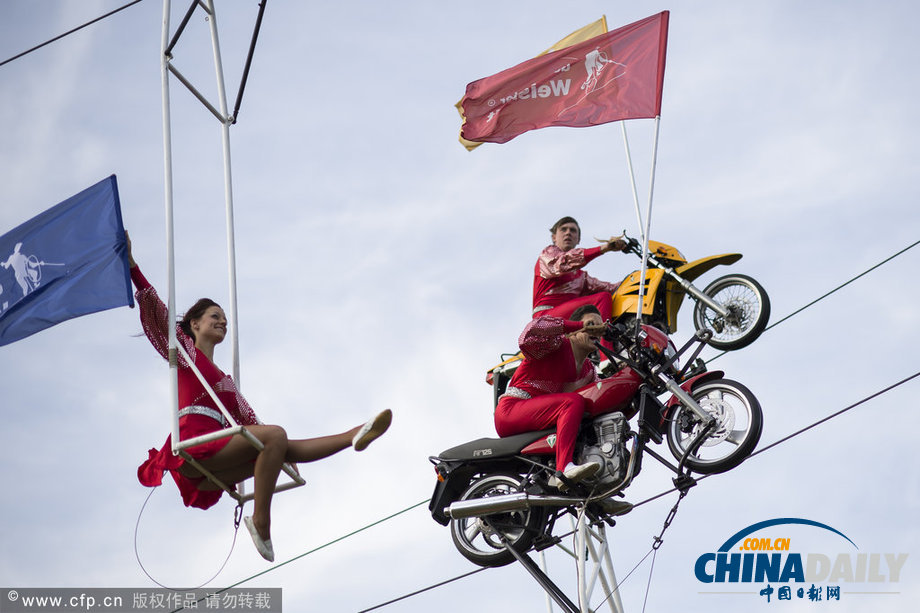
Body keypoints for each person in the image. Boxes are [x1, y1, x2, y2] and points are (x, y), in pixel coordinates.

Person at [125, 233, 391, 562]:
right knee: (276, 437)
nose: (222, 321)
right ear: (194, 324)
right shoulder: (185, 352)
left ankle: (354, 435)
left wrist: (281, 455)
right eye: (214, 316)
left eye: (225, 318)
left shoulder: (225, 382)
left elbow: (250, 423)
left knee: (282, 445)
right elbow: (156, 311)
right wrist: (133, 265)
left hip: (215, 466)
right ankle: (261, 521)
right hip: (194, 449)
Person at [494, 304, 607, 489]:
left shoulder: (589, 371)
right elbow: (529, 334)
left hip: (543, 419)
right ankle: (564, 468)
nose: (596, 330)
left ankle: (597, 489)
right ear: (573, 331)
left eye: (599, 326)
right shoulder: (555, 345)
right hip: (512, 410)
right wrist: (577, 324)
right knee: (572, 403)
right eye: (591, 324)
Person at [533, 216, 627, 322]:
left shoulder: (581, 277)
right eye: (563, 229)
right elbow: (565, 262)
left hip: (567, 319)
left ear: (578, 239)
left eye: (572, 230)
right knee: (602, 298)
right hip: (545, 317)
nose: (568, 233)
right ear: (554, 237)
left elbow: (610, 288)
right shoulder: (547, 256)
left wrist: (638, 278)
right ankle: (604, 338)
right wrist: (604, 248)